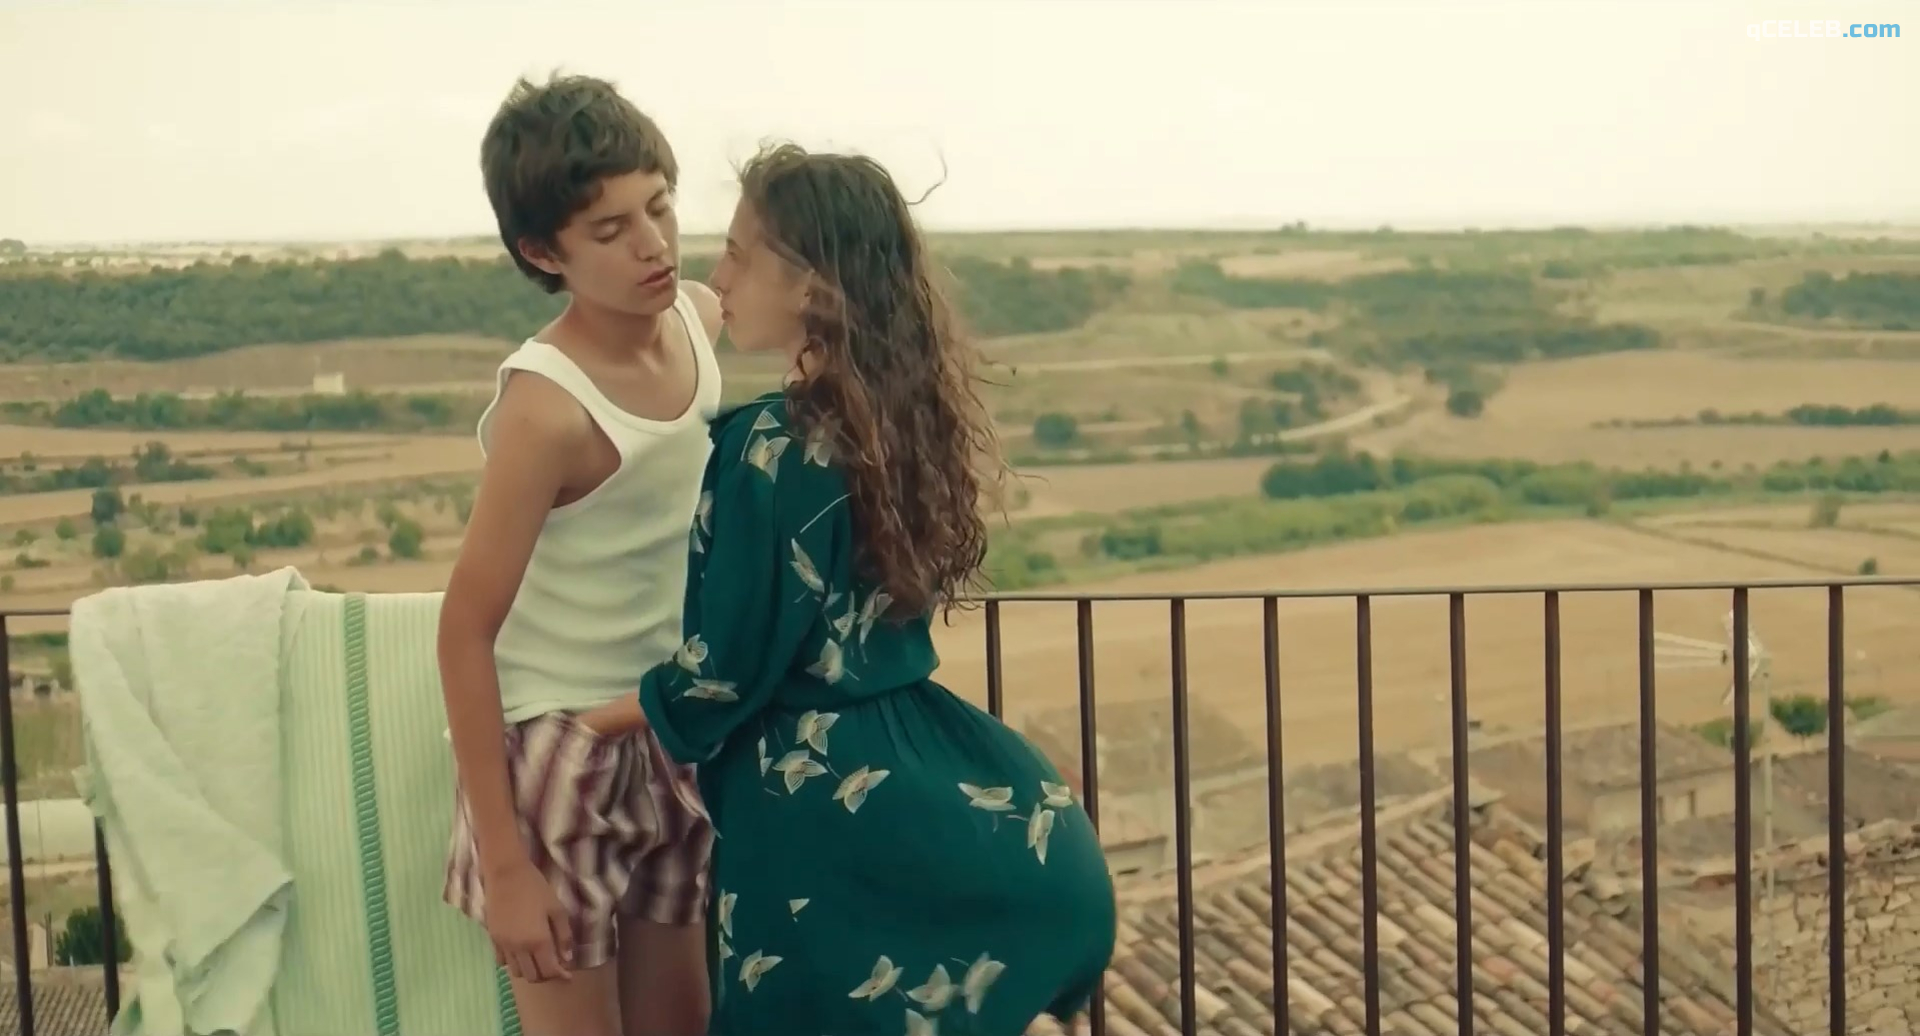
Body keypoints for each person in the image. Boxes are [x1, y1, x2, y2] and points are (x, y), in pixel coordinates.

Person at [577, 143, 1117, 1035]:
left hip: (808, 800)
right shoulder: (893, 424)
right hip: (909, 753)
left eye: (740, 255)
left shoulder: (768, 445)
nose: (719, 277)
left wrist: (589, 722)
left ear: (814, 288)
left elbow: (722, 672)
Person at [435, 72, 722, 1036]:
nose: (653, 244)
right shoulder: (546, 408)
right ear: (541, 251)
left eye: (660, 207)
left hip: (667, 729)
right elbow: (464, 630)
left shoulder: (697, 320)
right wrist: (505, 868)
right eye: (609, 229)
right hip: (561, 749)